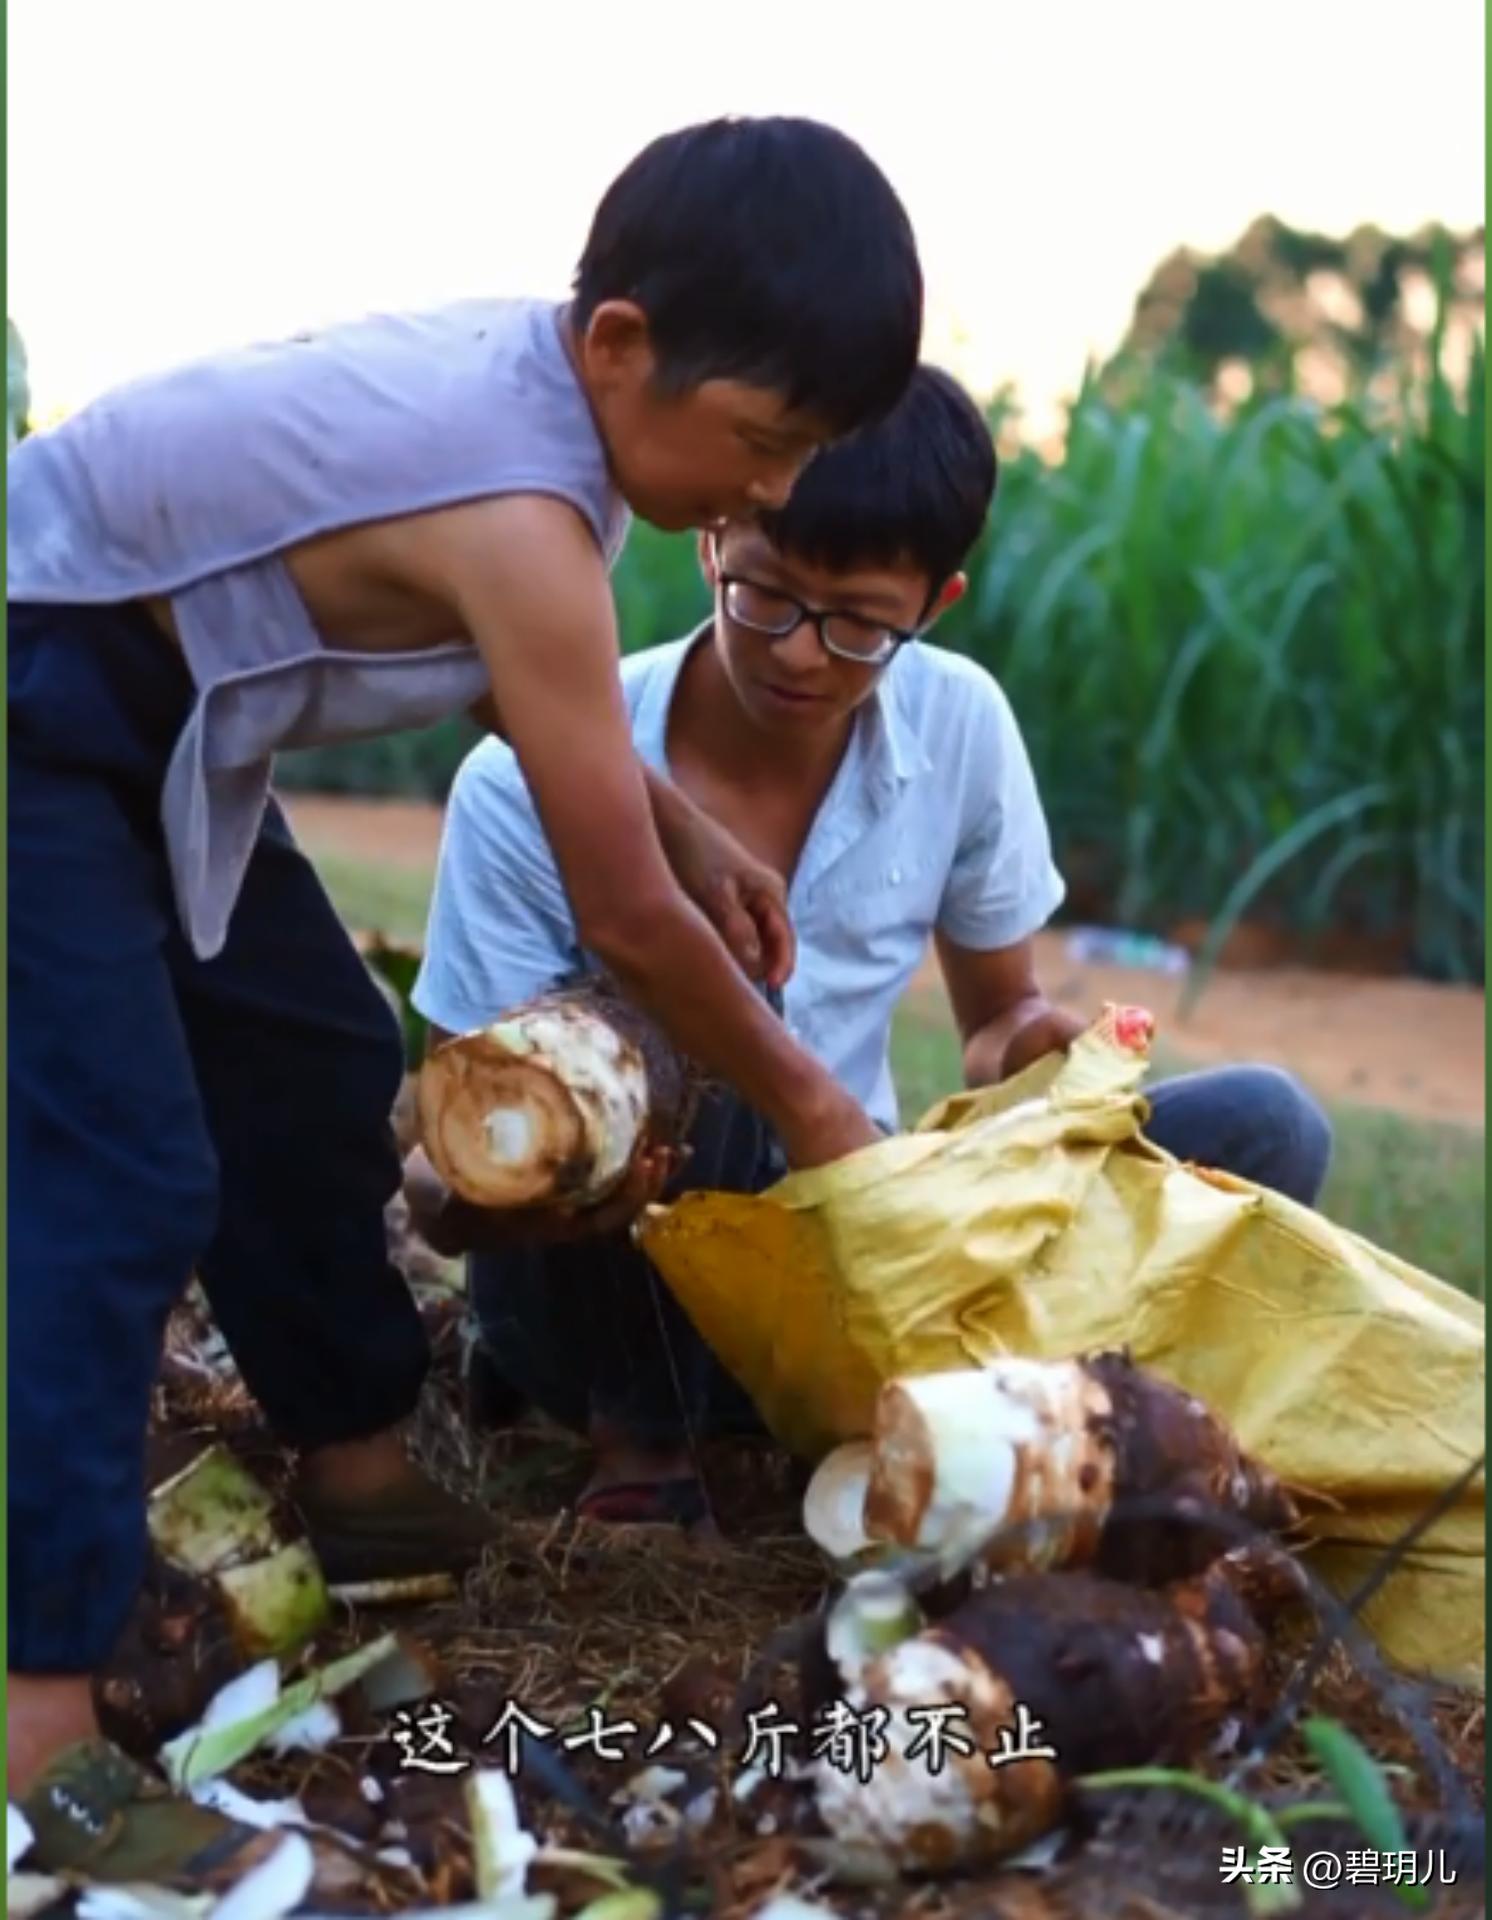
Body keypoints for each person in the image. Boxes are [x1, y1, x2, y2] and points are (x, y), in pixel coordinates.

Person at [6, 114, 923, 1855]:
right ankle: (35, 1723)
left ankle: (357, 1477)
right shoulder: (521, 510)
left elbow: (524, 695)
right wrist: (812, 1106)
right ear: (622, 346)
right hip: (37, 691)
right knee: (114, 1179)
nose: (770, 492)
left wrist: (674, 821)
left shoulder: (532, 427)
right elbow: (630, 926)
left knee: (308, 1049)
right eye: (763, 439)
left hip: (155, 714)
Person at [408, 365, 1334, 1528]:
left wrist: (1034, 1052)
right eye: (766, 597)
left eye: (856, 624)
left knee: (1268, 1124)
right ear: (710, 546)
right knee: (716, 1008)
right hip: (600, 1293)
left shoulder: (961, 725)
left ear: (933, 604)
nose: (799, 654)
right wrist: (521, 1163)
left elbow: (997, 1020)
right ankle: (643, 1445)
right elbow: (456, 1158)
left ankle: (1047, 1410)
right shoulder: (521, 777)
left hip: (859, 1245)